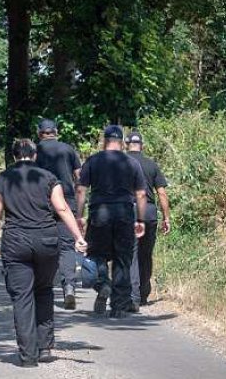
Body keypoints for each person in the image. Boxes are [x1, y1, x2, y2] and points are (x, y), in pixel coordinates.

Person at [0, 139, 87, 367]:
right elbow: (62, 208)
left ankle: (28, 356)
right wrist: (78, 237)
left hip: (16, 242)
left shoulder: (3, 179)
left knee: (22, 298)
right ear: (34, 156)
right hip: (47, 241)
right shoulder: (49, 178)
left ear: (14, 157)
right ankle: (44, 347)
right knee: (43, 291)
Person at [76, 125, 148, 318]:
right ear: (122, 142)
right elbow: (141, 194)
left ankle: (102, 284)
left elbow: (81, 190)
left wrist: (79, 216)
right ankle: (118, 307)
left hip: (100, 213)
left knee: (96, 255)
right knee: (122, 259)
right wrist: (140, 219)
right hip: (125, 213)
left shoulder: (93, 161)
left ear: (104, 140)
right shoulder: (132, 163)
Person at [34, 119, 82, 310]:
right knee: (67, 246)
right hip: (66, 199)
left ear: (40, 133)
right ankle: (69, 286)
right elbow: (80, 176)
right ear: (56, 132)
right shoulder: (68, 149)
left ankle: (42, 286)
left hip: (42, 200)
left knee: (41, 242)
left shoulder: (36, 151)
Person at [126, 131, 171, 306]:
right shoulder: (151, 165)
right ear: (142, 145)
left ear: (126, 144)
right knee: (146, 254)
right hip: (150, 213)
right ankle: (143, 294)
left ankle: (134, 295)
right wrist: (166, 218)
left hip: (129, 213)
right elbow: (162, 193)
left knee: (132, 254)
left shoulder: (121, 163)